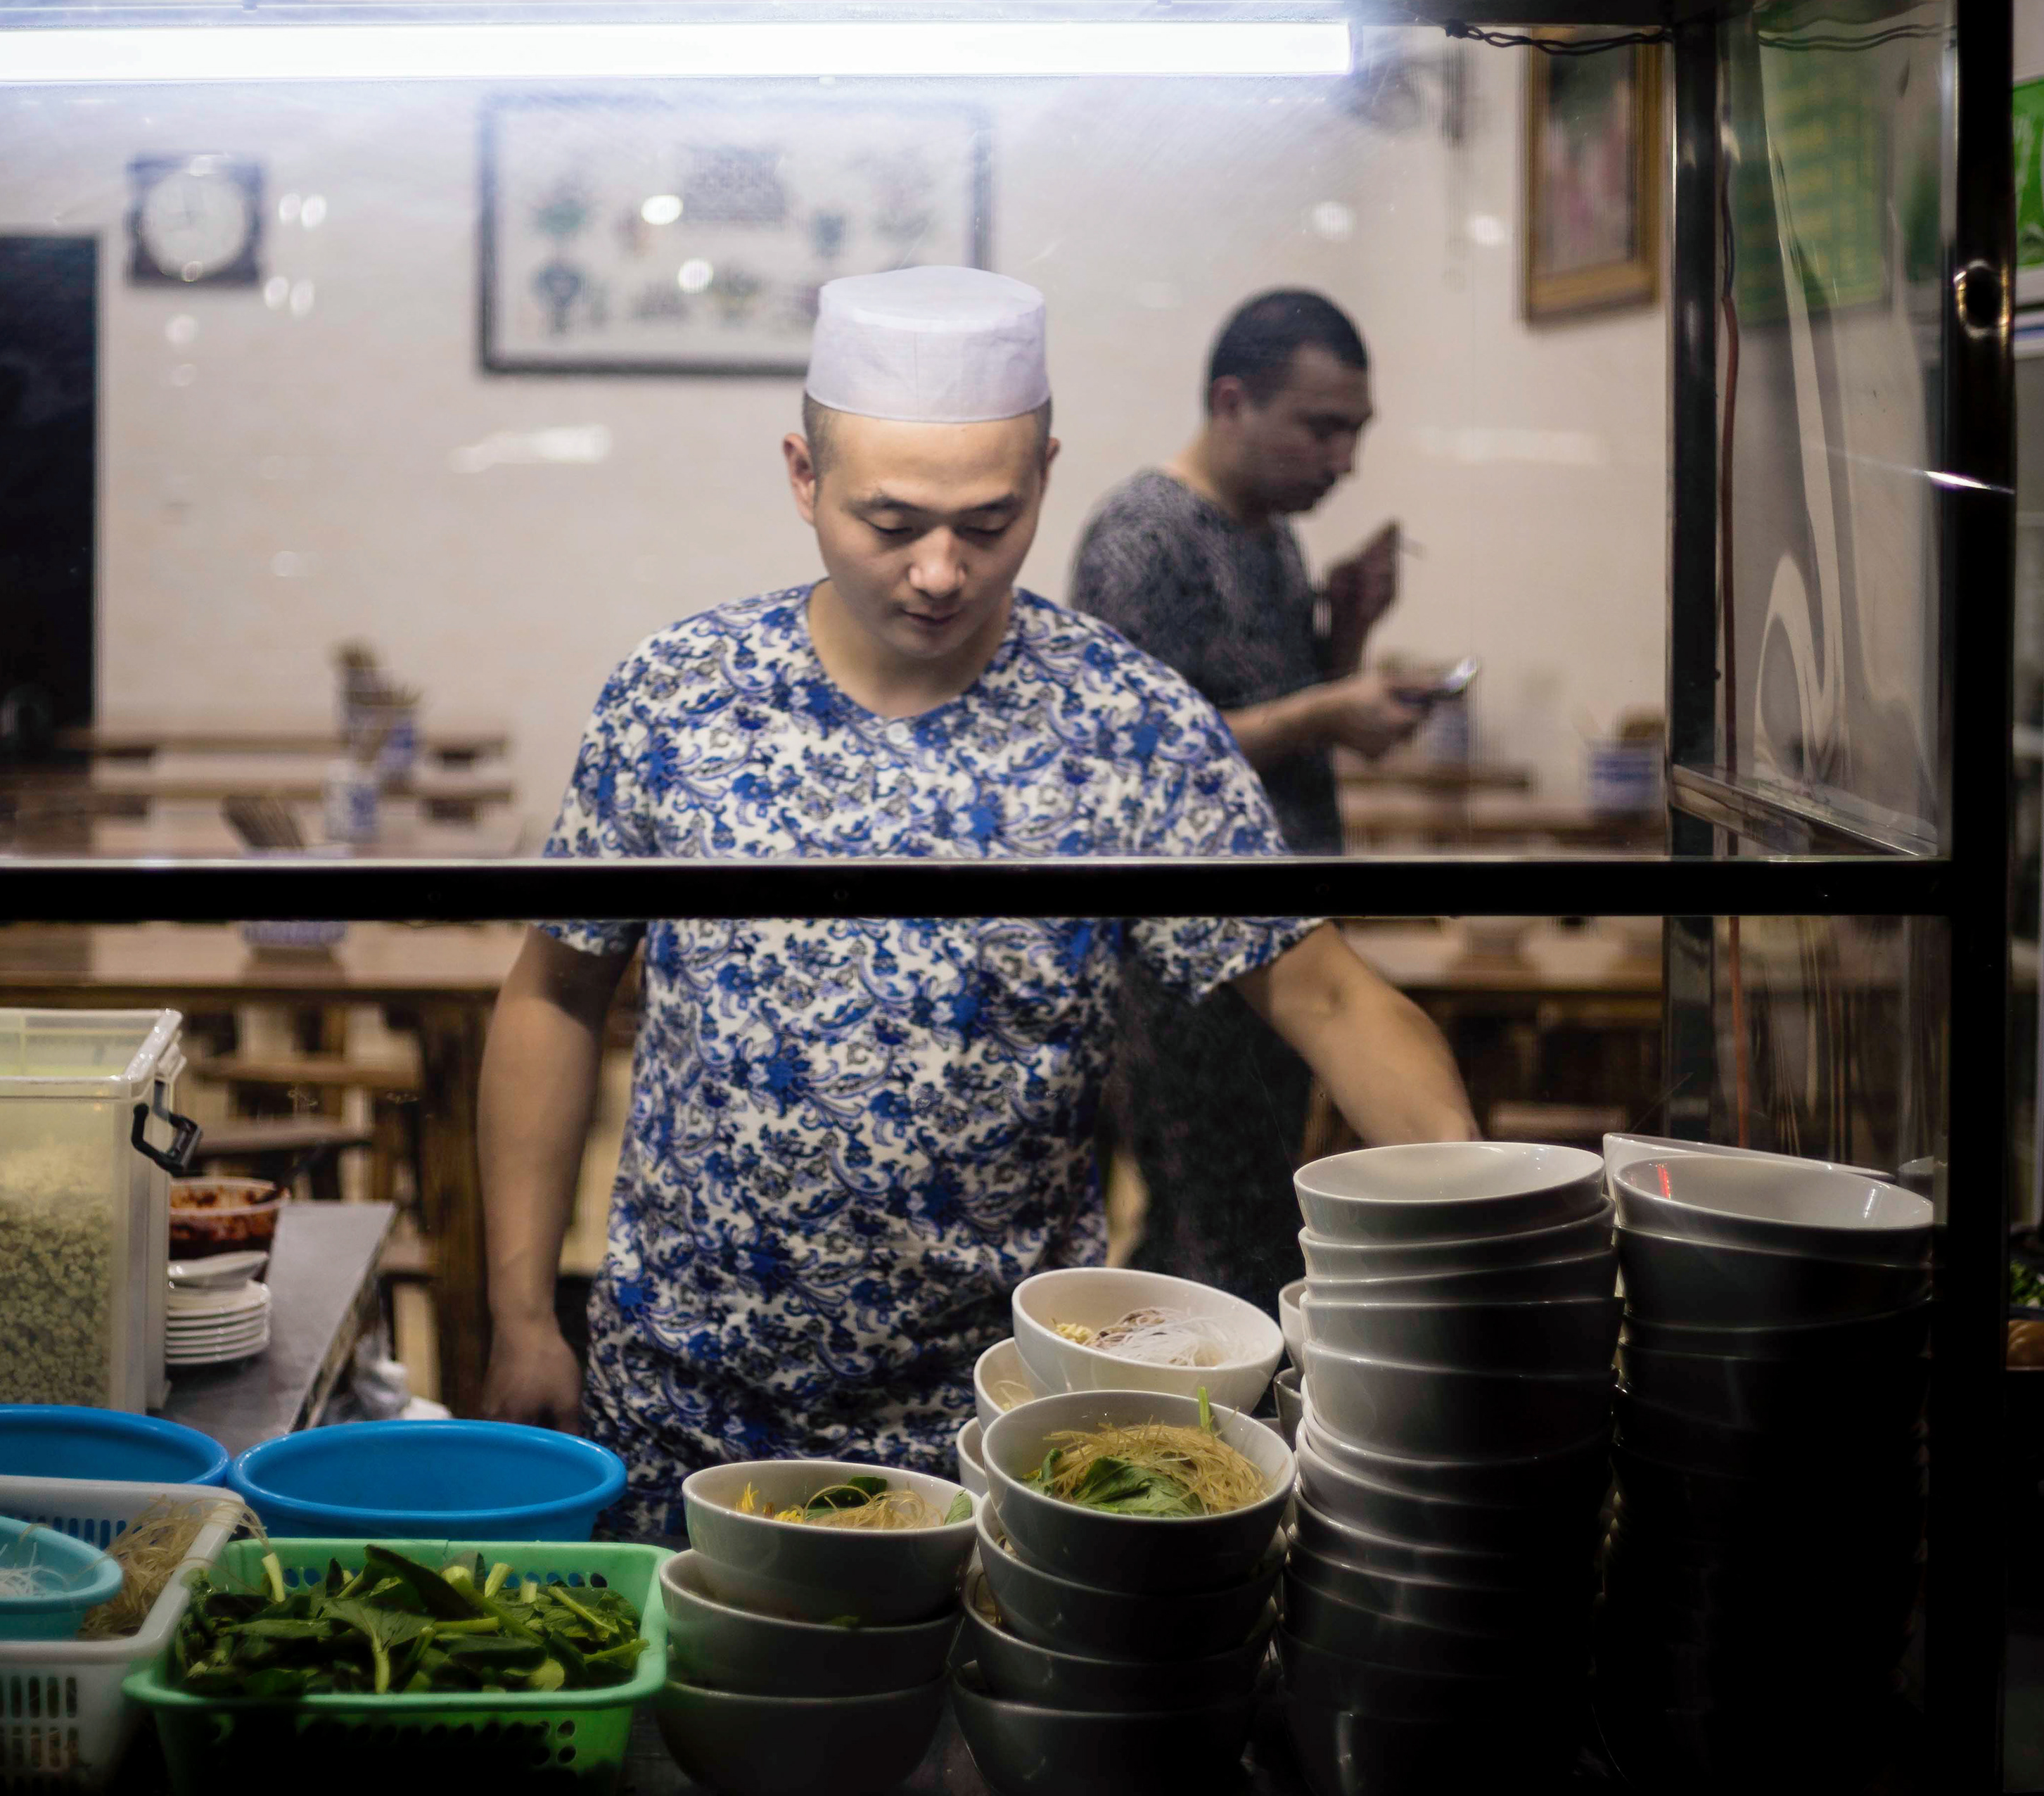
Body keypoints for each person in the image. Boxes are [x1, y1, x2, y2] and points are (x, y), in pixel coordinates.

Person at [477, 267, 1474, 1539]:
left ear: (1046, 477)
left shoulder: (1125, 724)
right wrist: (519, 1316)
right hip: (684, 1408)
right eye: (891, 523)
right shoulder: (679, 697)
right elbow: (555, 991)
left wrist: (1488, 1232)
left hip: (1008, 1433)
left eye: (989, 524)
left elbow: (1331, 996)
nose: (941, 572)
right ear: (802, 476)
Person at [1067, 288, 1428, 1316]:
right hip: (1190, 959)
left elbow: (1276, 715)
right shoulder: (1144, 537)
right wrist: (1327, 707)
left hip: (1284, 934)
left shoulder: (1269, 538)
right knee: (1226, 1229)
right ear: (1233, 402)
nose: (1343, 458)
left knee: (1224, 1217)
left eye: (1356, 430)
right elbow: (1136, 762)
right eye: (1323, 426)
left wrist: (1348, 633)